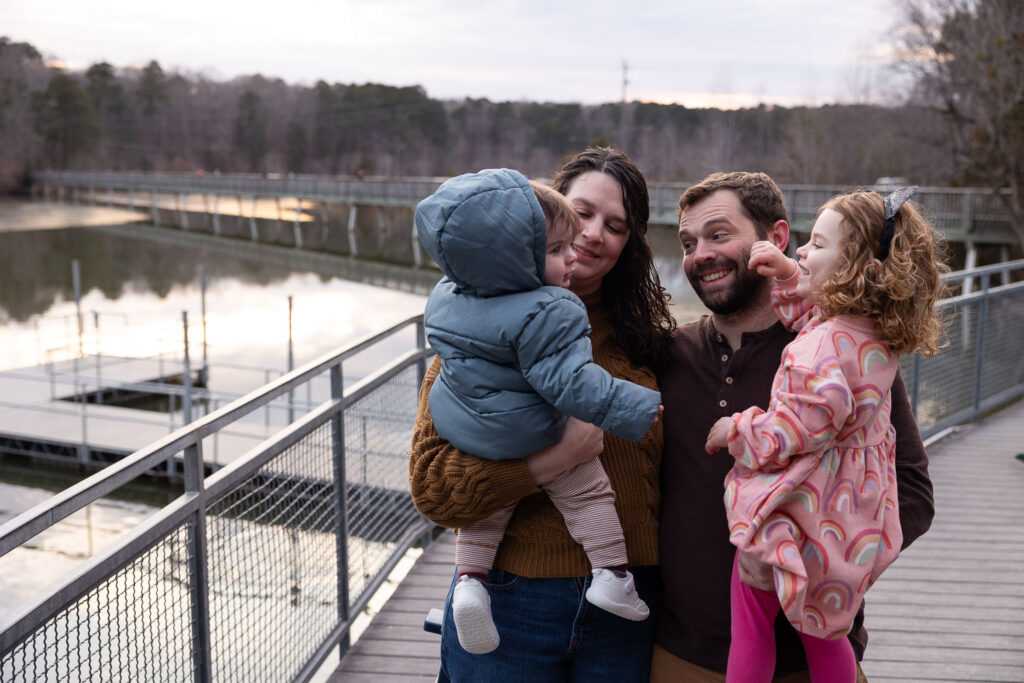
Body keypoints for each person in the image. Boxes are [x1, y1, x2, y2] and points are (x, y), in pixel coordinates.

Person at [654, 172, 936, 682]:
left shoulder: (828, 352)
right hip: (679, 654)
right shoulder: (670, 355)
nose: (699, 255)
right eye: (688, 243)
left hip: (805, 658)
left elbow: (912, 494)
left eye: (719, 235)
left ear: (776, 237)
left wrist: (815, 564)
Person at [409, 148, 676, 682]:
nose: (594, 233)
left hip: (625, 612)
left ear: (630, 244)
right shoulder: (479, 341)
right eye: (582, 212)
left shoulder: (652, 347)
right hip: (512, 603)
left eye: (616, 225)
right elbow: (432, 490)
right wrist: (550, 462)